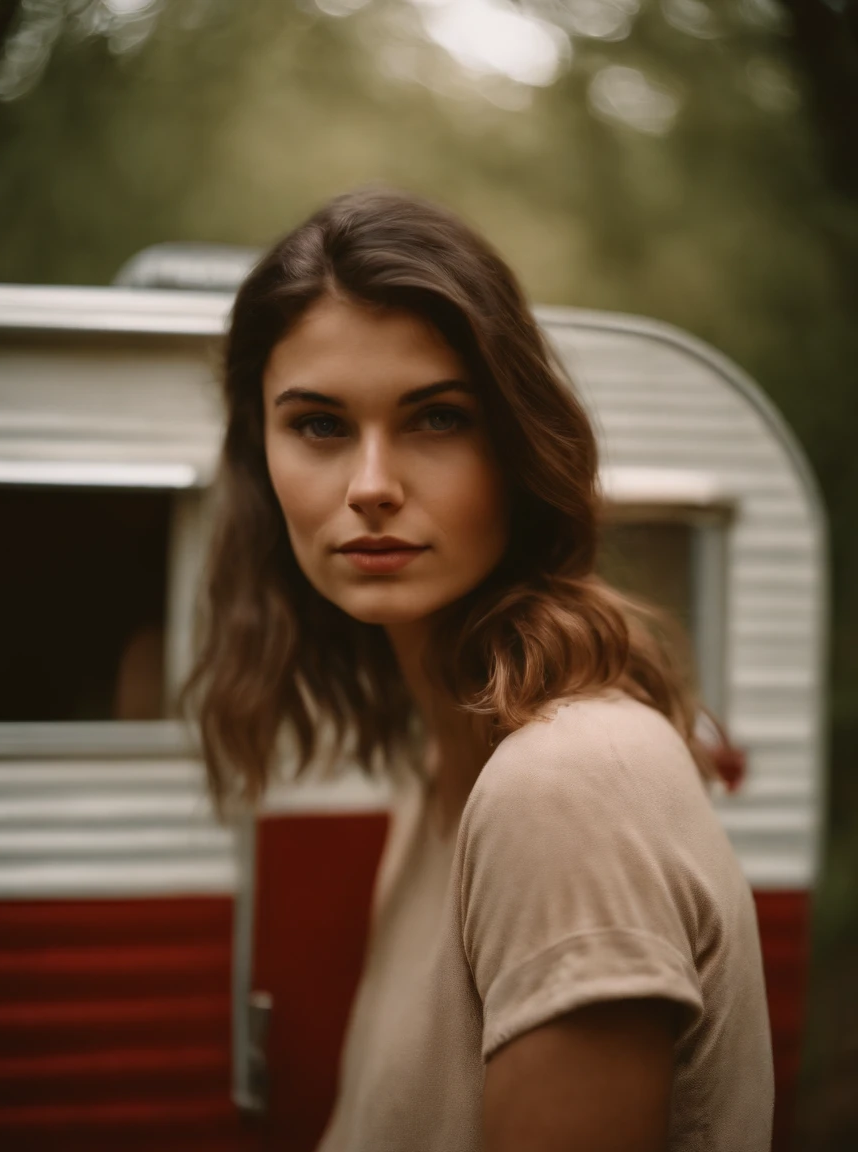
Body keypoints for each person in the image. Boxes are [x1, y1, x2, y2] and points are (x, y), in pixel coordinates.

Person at [185, 187, 773, 1151]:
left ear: (516, 443)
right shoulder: (444, 783)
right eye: (321, 425)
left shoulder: (565, 784)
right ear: (264, 455)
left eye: (438, 417)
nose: (371, 486)